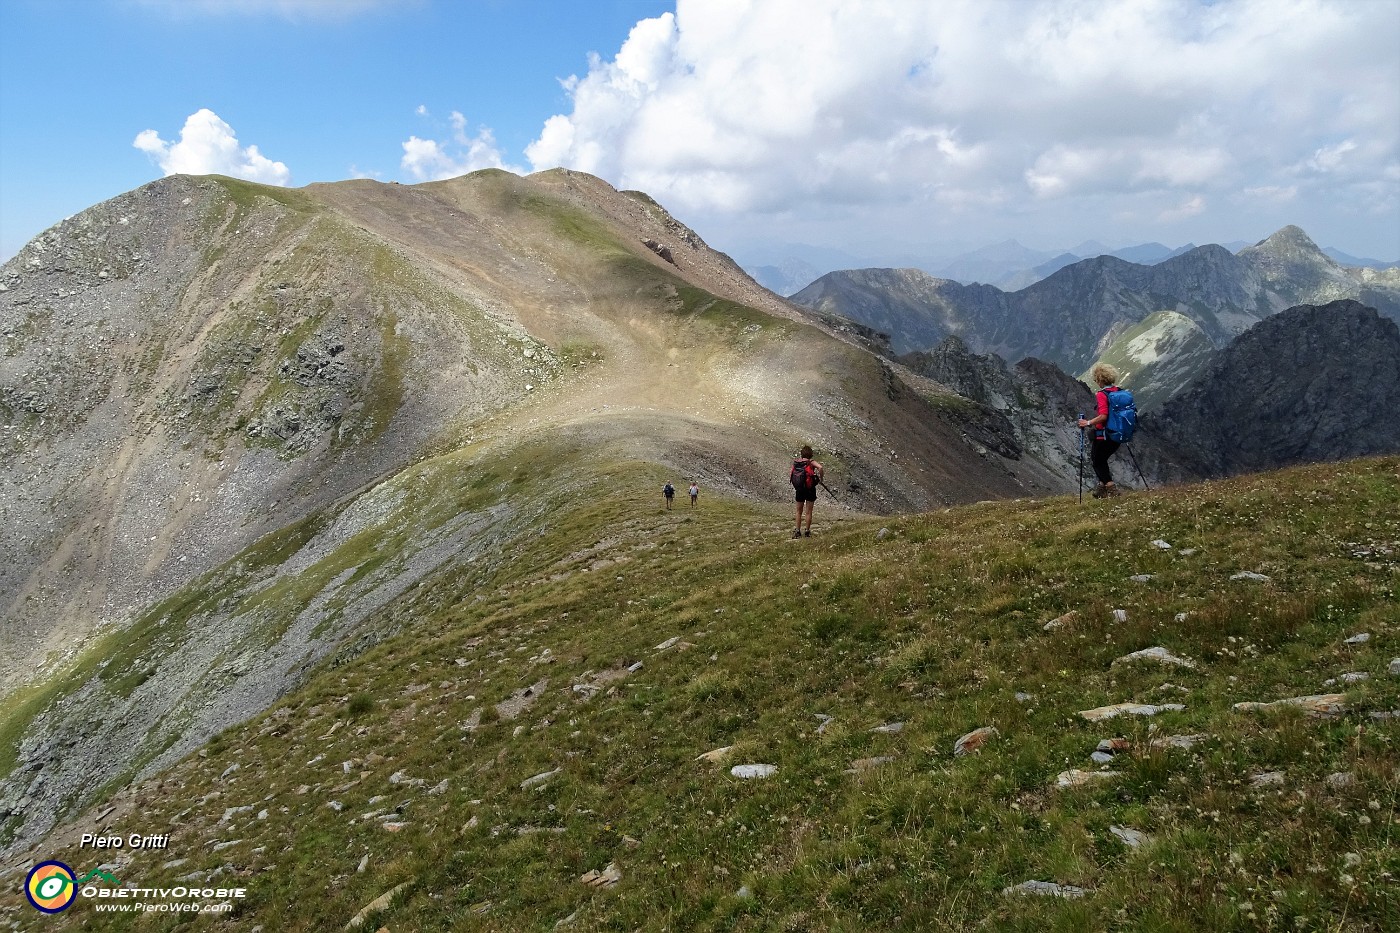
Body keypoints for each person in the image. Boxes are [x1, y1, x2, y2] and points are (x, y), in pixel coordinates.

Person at [1077, 363, 1125, 498]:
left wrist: (1087, 422)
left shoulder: (1102, 394)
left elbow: (1104, 416)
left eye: (1096, 379)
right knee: (1101, 459)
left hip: (1104, 435)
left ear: (1100, 379)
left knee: (1097, 461)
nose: (1096, 382)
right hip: (1118, 433)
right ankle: (1101, 489)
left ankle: (1111, 489)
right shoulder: (1119, 391)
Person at [791, 445, 824, 537]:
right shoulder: (811, 462)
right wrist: (821, 479)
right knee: (808, 511)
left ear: (802, 454)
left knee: (798, 511)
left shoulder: (797, 462)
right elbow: (820, 467)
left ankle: (797, 531)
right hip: (810, 489)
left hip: (799, 488)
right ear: (811, 454)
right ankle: (807, 531)